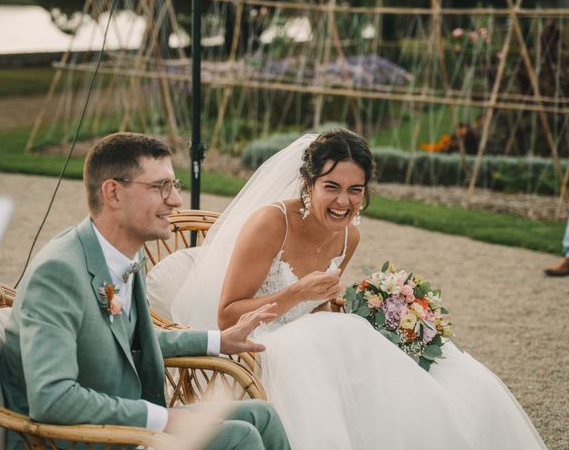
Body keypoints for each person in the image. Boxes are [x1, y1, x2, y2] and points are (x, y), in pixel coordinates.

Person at [172, 129, 547, 449]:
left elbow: (319, 309)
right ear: (308, 184)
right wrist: (297, 293)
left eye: (355, 190)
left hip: (318, 336)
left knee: (449, 370)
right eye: (331, 187)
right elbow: (228, 314)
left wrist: (388, 318)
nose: (343, 202)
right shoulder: (271, 222)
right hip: (261, 342)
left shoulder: (350, 236)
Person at [0, 132, 291, 450]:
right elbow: (51, 399)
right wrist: (162, 419)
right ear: (113, 193)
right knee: (239, 437)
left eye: (174, 185)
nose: (176, 200)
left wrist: (219, 340)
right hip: (63, 440)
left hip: (118, 427)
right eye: (159, 187)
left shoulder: (124, 253)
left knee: (261, 414)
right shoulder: (58, 273)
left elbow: (129, 340)